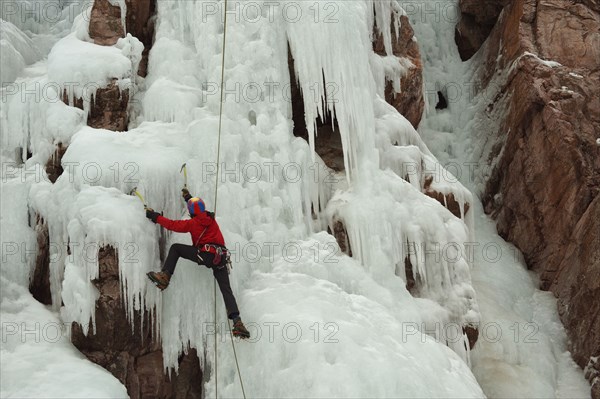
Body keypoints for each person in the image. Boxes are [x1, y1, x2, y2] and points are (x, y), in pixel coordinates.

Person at [146, 189, 250, 339]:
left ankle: (165, 277)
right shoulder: (211, 219)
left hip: (206, 255)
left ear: (191, 213)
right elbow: (198, 211)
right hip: (221, 258)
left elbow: (172, 225)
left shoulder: (193, 223)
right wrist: (188, 198)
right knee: (226, 290)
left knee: (176, 248)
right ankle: (237, 323)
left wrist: (155, 216)